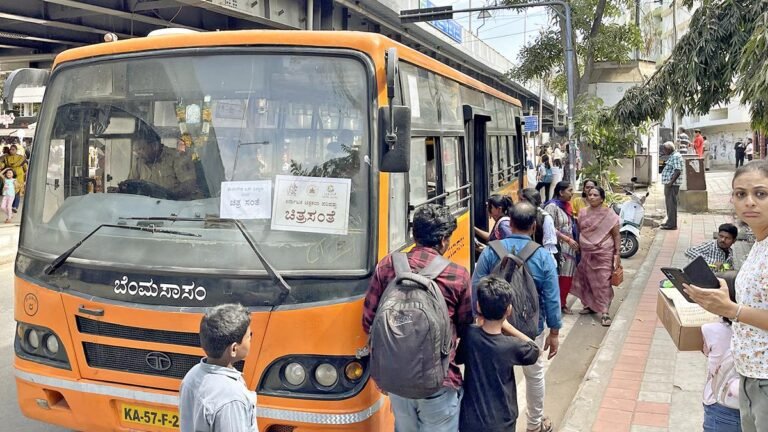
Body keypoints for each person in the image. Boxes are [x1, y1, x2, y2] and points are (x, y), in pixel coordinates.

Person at [363, 204, 472, 431]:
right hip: (439, 382)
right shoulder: (457, 275)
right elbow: (465, 326)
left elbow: (369, 321)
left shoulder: (387, 265)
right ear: (443, 239)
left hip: (396, 378)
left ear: (415, 235)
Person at [685, 161, 768, 432]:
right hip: (748, 374)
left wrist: (733, 310)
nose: (750, 202)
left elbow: (740, 311)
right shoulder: (758, 244)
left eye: (761, 194)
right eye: (741, 194)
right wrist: (724, 299)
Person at [472, 201, 561, 432]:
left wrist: (477, 318)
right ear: (533, 226)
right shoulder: (543, 257)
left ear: (509, 224)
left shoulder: (492, 250)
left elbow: (476, 287)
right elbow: (552, 297)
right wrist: (554, 331)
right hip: (531, 328)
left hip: (494, 327)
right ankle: (534, 425)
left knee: (496, 378)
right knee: (534, 375)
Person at [457, 276, 541, 432]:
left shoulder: (469, 335)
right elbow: (535, 349)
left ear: (478, 306)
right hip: (503, 422)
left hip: (471, 420)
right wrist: (507, 327)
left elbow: (459, 357)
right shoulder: (511, 346)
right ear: (508, 310)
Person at [180, 304, 257, 432]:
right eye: (249, 336)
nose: (251, 339)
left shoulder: (192, 375)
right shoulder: (231, 397)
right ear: (233, 349)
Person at [570, 186, 621, 326]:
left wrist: (617, 253)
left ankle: (604, 312)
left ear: (602, 198)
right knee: (587, 279)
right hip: (586, 251)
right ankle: (590, 305)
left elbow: (616, 235)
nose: (591, 197)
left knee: (603, 281)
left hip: (604, 251)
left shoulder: (609, 214)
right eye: (590, 195)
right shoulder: (582, 212)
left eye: (595, 195)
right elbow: (580, 230)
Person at [701, 278, 741, 432]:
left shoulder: (710, 329)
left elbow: (706, 351)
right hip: (750, 400)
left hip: (718, 401)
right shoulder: (757, 330)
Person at [122, 125, 199, 200]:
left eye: (141, 149)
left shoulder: (177, 158)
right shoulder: (139, 163)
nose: (138, 155)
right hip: (146, 209)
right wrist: (120, 190)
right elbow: (130, 186)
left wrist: (164, 195)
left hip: (175, 208)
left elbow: (189, 186)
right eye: (136, 151)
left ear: (155, 146)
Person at [544, 181, 579, 314]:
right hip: (558, 247)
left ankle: (562, 303)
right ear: (561, 192)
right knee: (558, 276)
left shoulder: (566, 206)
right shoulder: (552, 207)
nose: (572, 193)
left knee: (567, 276)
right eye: (570, 190)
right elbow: (549, 228)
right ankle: (555, 305)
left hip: (569, 247)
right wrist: (567, 239)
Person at [518, 188, 558, 256]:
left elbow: (548, 245)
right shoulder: (519, 216)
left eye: (522, 200)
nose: (519, 203)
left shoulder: (545, 218)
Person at [660, 141, 683, 230]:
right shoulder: (674, 156)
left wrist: (670, 183)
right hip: (670, 184)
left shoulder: (676, 156)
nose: (664, 152)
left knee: (671, 204)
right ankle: (669, 221)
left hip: (672, 185)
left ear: (668, 149)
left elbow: (677, 170)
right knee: (669, 204)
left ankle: (672, 225)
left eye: (664, 150)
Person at [1, 144, 27, 213]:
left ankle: (15, 207)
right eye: (10, 149)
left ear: (16, 150)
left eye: (13, 149)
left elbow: (25, 167)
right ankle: (11, 206)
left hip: (19, 176)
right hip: (10, 175)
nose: (11, 151)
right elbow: (2, 165)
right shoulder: (6, 158)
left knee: (17, 191)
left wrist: (26, 174)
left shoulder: (21, 158)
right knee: (11, 191)